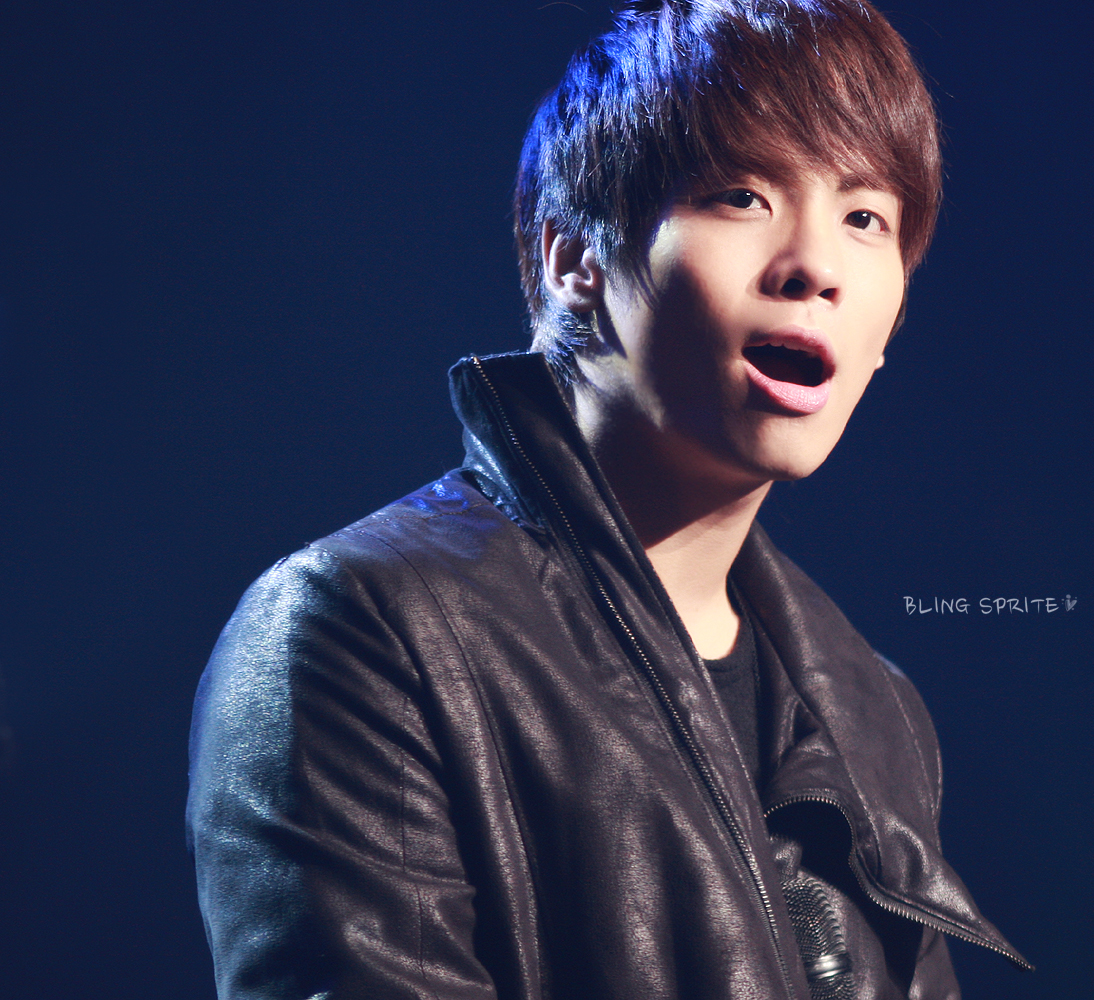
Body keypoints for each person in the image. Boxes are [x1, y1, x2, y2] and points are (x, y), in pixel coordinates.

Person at [186, 2, 1030, 997]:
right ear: (574, 260)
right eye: (744, 196)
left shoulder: (877, 712)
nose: (817, 268)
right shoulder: (360, 630)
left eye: (865, 219)